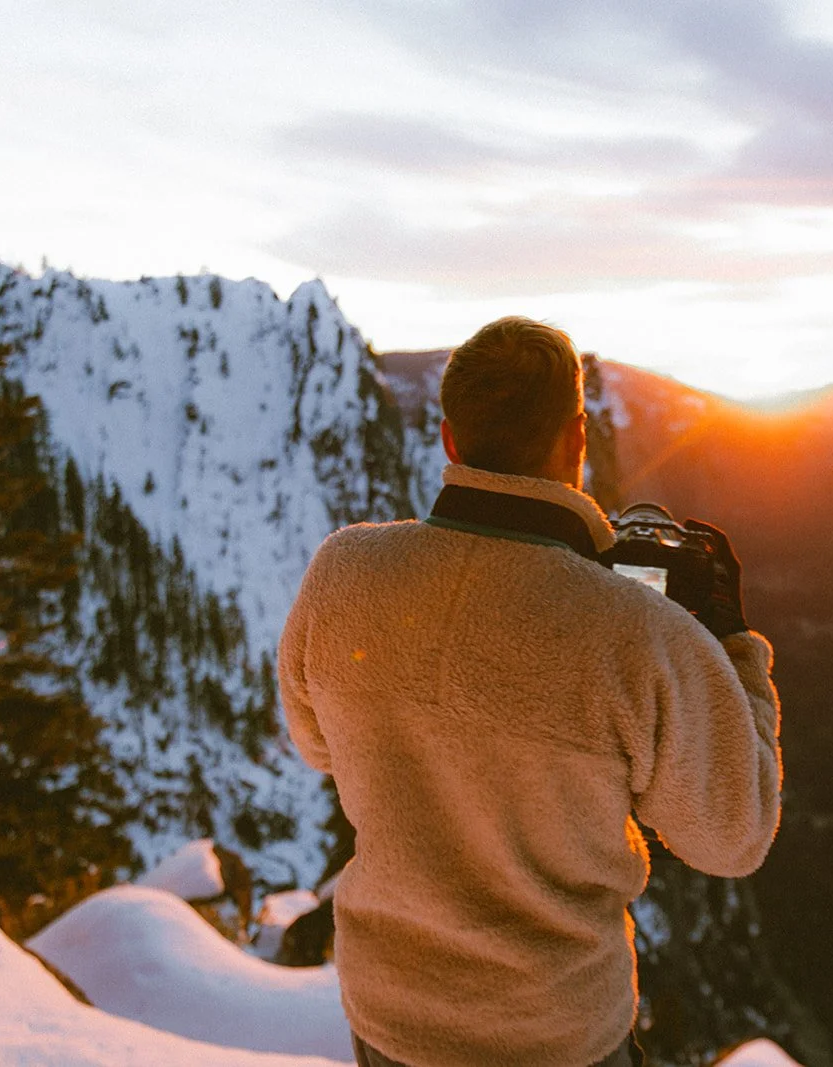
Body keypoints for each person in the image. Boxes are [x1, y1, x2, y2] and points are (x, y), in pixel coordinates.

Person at [278, 316, 782, 1067]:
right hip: (555, 1034)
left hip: (390, 1021)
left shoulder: (342, 571)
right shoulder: (639, 630)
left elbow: (317, 742)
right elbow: (734, 832)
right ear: (577, 438)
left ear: (450, 439)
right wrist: (732, 649)